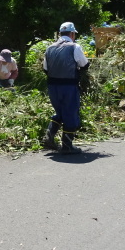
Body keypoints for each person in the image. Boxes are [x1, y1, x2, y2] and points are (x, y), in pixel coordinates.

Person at [42, 22, 90, 154]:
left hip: (52, 87)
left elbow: (45, 69)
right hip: (68, 86)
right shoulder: (74, 47)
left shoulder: (49, 48)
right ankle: (67, 146)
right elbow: (84, 65)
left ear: (59, 34)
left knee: (60, 112)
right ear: (72, 34)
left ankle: (49, 136)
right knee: (70, 114)